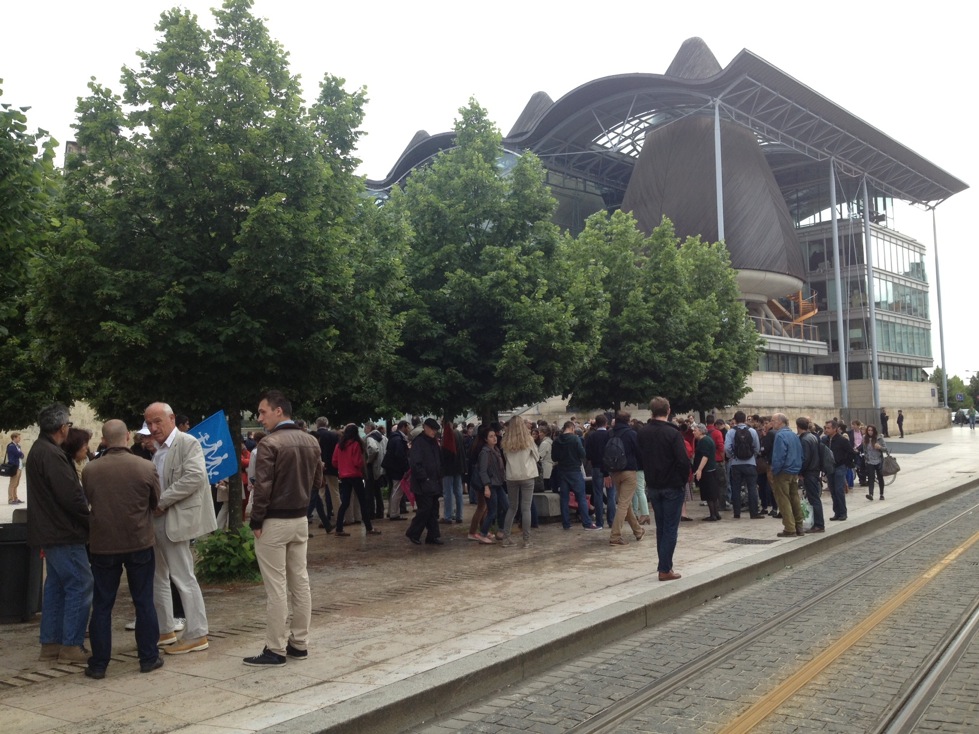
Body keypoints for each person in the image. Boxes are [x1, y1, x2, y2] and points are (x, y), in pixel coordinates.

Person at [244, 390, 325, 667]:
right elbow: (318, 481)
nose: (259, 417)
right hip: (299, 520)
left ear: (279, 411)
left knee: (276, 587)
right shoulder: (311, 440)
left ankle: (275, 649)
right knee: (300, 582)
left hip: (274, 521)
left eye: (263, 412)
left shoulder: (269, 443)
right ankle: (299, 643)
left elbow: (263, 487)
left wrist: (256, 520)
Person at [81, 419, 163, 679]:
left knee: (103, 604)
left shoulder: (90, 470)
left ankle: (99, 664)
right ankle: (148, 657)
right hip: (139, 540)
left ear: (104, 440)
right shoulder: (146, 466)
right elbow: (155, 501)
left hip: (104, 544)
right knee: (144, 601)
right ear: (128, 436)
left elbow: (90, 499)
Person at [144, 401, 217, 655]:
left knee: (183, 576)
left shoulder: (187, 442)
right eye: (149, 423)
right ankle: (166, 630)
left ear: (172, 418)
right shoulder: (159, 449)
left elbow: (195, 477)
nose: (153, 428)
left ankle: (197, 633)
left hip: (173, 519)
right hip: (159, 519)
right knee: (158, 575)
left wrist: (162, 501)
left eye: (157, 422)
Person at [26, 403, 93, 664]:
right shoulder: (51, 454)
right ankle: (71, 645)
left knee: (55, 586)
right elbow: (71, 496)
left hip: (51, 531)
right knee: (80, 583)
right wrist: (90, 520)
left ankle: (51, 644)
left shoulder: (40, 450)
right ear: (63, 427)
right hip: (63, 532)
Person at [636, 397, 688, 581]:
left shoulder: (643, 432)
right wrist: (682, 480)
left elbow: (640, 457)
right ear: (668, 410)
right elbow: (683, 460)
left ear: (651, 411)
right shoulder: (672, 433)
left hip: (654, 484)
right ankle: (665, 568)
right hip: (672, 485)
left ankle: (664, 565)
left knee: (662, 527)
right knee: (670, 528)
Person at [332, 424, 379, 538]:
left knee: (345, 502)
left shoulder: (339, 445)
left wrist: (342, 468)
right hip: (355, 475)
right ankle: (369, 527)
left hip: (344, 476)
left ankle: (339, 528)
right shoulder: (356, 444)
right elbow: (358, 462)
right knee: (363, 501)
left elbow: (334, 461)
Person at [551, 420, 597, 531]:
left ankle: (566, 524)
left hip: (562, 471)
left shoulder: (557, 441)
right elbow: (582, 454)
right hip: (574, 470)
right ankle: (586, 523)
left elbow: (554, 457)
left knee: (564, 498)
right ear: (572, 428)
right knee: (581, 496)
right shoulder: (575, 439)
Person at [500, 417, 539, 548]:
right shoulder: (529, 440)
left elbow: (505, 458)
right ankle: (526, 540)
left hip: (512, 476)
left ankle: (506, 537)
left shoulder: (505, 441)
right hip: (527, 475)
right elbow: (537, 456)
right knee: (526, 508)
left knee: (512, 507)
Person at [607, 411, 645, 545]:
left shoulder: (610, 433)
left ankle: (638, 531)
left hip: (614, 472)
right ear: (628, 421)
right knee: (623, 504)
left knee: (625, 503)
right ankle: (615, 536)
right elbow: (639, 452)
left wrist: (606, 472)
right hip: (629, 471)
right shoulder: (631, 434)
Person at [406, 418, 443, 545]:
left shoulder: (433, 442)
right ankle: (413, 532)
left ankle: (433, 535)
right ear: (425, 428)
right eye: (432, 429)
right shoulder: (419, 442)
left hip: (433, 481)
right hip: (423, 483)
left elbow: (438, 459)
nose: (434, 432)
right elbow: (416, 463)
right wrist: (424, 478)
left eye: (435, 430)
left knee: (433, 509)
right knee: (425, 509)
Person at [768, 413, 804, 537]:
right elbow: (801, 453)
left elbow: (779, 456)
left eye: (773, 421)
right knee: (794, 498)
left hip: (783, 471)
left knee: (783, 499)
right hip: (794, 470)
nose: (771, 423)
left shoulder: (780, 436)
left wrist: (774, 471)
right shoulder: (794, 435)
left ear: (780, 422)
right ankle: (799, 526)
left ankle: (789, 528)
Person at [724, 411, 764, 519]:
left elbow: (727, 448)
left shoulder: (731, 432)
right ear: (746, 419)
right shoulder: (752, 431)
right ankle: (754, 513)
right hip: (750, 463)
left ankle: (737, 513)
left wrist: (732, 456)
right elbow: (757, 446)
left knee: (735, 487)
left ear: (735, 420)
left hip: (736, 464)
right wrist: (753, 456)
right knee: (752, 487)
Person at [797, 417, 825, 534]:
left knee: (814, 498)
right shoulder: (813, 437)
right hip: (814, 470)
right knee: (814, 498)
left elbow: (805, 458)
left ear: (798, 427)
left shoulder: (805, 440)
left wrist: (800, 472)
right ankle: (817, 523)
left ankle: (819, 524)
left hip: (809, 472)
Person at [583, 414, 612, 529]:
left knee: (598, 494)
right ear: (606, 423)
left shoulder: (591, 436)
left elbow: (588, 454)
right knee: (611, 495)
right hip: (609, 468)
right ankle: (611, 520)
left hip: (596, 467)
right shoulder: (610, 435)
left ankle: (600, 522)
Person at [823, 419, 852, 521]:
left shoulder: (842, 440)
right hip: (829, 468)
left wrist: (845, 462)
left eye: (828, 428)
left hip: (839, 467)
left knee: (839, 490)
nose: (826, 430)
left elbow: (850, 452)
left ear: (835, 429)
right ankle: (837, 512)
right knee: (833, 490)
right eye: (825, 428)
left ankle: (843, 513)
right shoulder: (825, 440)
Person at [691, 423, 720, 522]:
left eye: (695, 430)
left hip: (707, 470)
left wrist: (699, 469)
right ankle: (716, 513)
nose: (693, 432)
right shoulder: (706, 440)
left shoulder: (704, 441)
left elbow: (705, 456)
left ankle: (713, 515)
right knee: (713, 493)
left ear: (701, 431)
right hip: (710, 469)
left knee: (709, 493)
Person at [440, 419, 466, 524]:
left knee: (448, 492)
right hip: (458, 466)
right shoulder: (459, 433)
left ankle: (448, 516)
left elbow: (445, 452)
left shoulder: (448, 435)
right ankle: (459, 515)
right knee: (458, 492)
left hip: (448, 467)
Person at [384, 420, 411, 520]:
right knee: (397, 490)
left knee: (395, 490)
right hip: (396, 469)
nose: (408, 429)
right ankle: (394, 513)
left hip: (392, 467)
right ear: (403, 427)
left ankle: (393, 512)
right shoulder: (398, 439)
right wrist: (405, 469)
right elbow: (400, 455)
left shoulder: (394, 438)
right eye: (407, 427)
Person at [862, 424, 888, 501]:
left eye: (871, 430)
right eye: (869, 430)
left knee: (880, 477)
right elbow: (864, 450)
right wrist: (866, 459)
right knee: (871, 478)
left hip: (878, 460)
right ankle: (871, 494)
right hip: (870, 461)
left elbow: (885, 449)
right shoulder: (865, 438)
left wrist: (880, 447)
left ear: (874, 431)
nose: (870, 432)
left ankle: (881, 494)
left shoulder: (879, 438)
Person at [6, 432, 25, 504]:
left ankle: (15, 498)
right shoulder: (11, 446)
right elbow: (19, 454)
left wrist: (21, 454)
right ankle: (10, 499)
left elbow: (21, 455)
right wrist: (21, 454)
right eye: (18, 437)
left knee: (16, 484)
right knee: (12, 483)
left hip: (19, 467)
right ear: (14, 438)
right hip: (14, 466)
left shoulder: (18, 446)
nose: (19, 439)